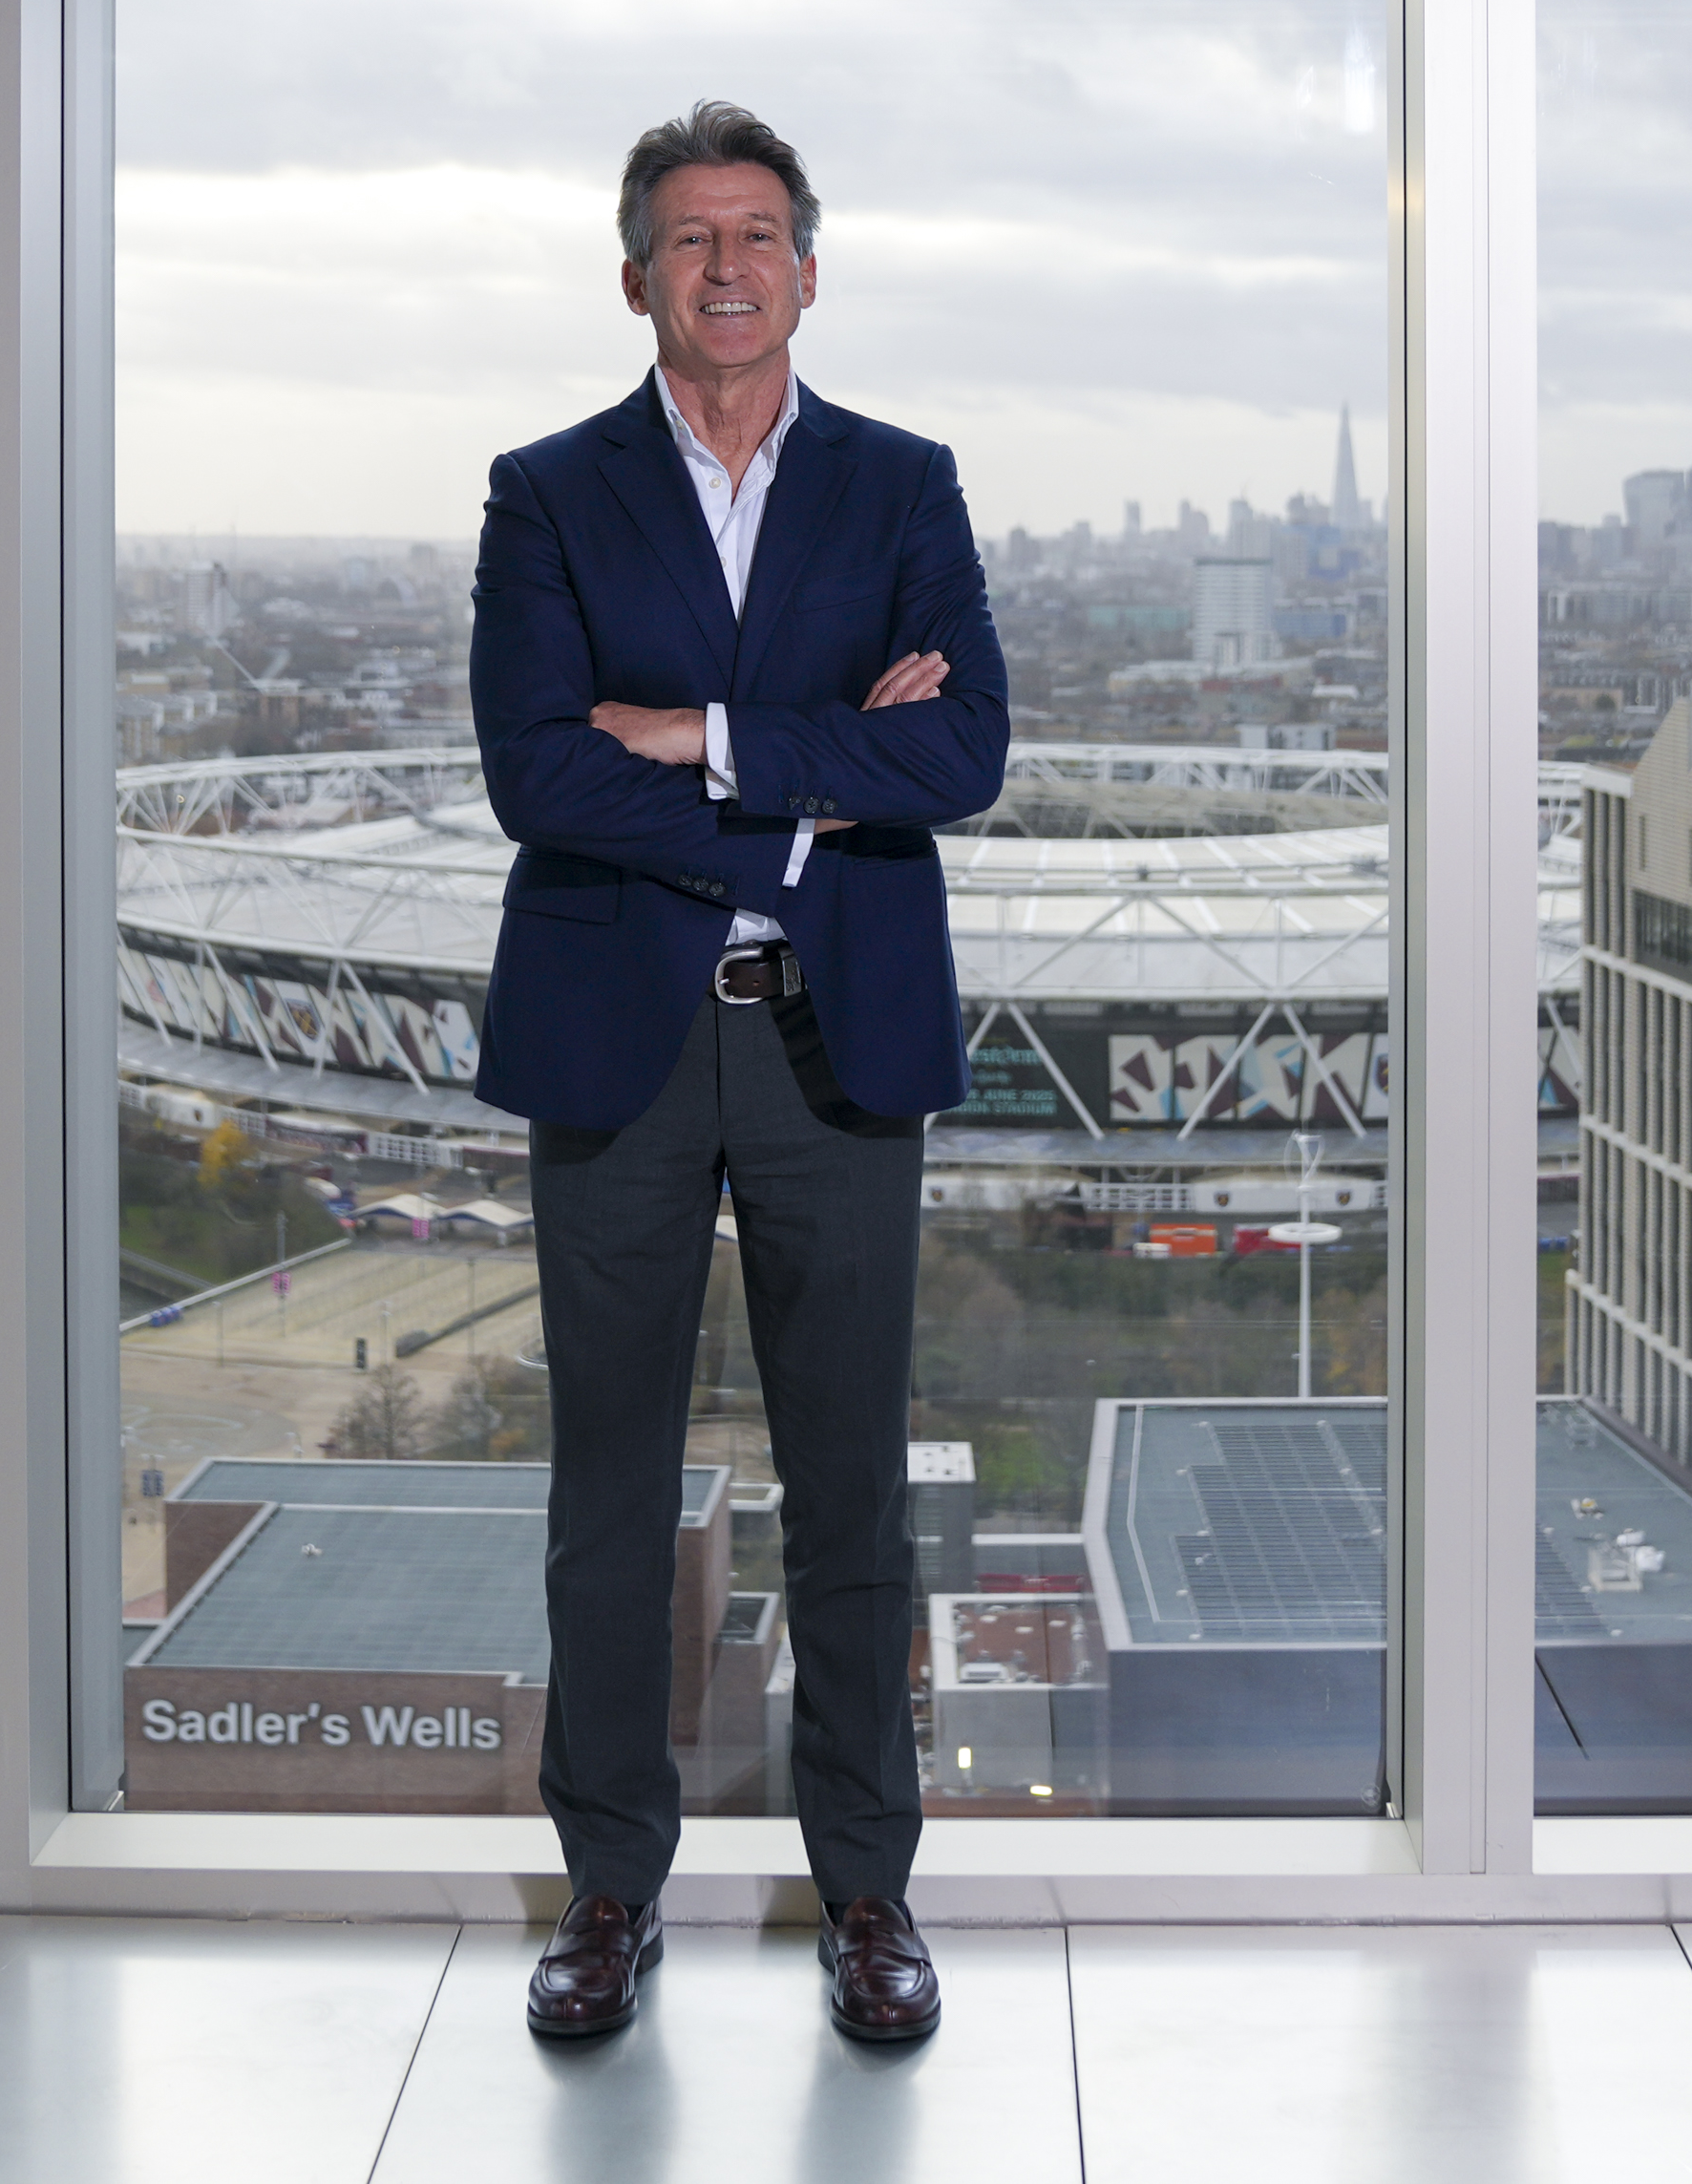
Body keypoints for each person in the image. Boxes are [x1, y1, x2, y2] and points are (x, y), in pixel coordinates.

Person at [470, 100, 1008, 2043]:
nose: (724, 266)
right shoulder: (545, 492)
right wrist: (796, 782)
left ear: (806, 265)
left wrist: (686, 733)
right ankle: (609, 1887)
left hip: (829, 1044)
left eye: (757, 232)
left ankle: (866, 1890)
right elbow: (536, 770)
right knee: (607, 1492)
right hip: (615, 1048)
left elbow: (961, 761)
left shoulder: (901, 484)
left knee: (849, 1489)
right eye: (687, 237)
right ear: (637, 276)